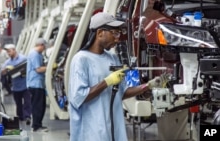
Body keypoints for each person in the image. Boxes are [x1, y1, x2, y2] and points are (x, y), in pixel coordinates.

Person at [68, 12, 169, 141]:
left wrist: (148, 85)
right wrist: (107, 82)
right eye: (114, 33)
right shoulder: (81, 59)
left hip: (113, 129)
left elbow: (122, 92)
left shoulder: (113, 58)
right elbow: (78, 97)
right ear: (100, 33)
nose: (117, 39)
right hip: (90, 131)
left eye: (118, 34)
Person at [1, 44, 32, 125]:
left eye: (9, 51)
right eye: (7, 52)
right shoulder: (8, 62)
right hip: (15, 86)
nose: (8, 53)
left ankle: (27, 116)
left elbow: (29, 68)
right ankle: (21, 117)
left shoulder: (23, 58)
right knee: (18, 104)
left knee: (27, 102)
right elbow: (3, 72)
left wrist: (22, 71)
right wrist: (6, 70)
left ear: (14, 50)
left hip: (25, 85)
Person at [26, 38, 49, 132]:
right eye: (44, 47)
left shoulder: (38, 54)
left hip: (37, 83)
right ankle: (36, 126)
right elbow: (38, 69)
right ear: (41, 45)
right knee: (37, 106)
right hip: (35, 84)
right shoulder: (35, 54)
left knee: (41, 105)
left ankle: (38, 124)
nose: (44, 49)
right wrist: (50, 67)